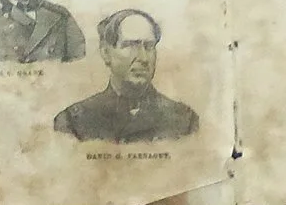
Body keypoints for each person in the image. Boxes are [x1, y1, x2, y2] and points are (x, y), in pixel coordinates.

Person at [53, 9, 198, 143]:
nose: (143, 58)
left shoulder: (184, 122)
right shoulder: (74, 123)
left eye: (149, 46)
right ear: (106, 53)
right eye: (130, 45)